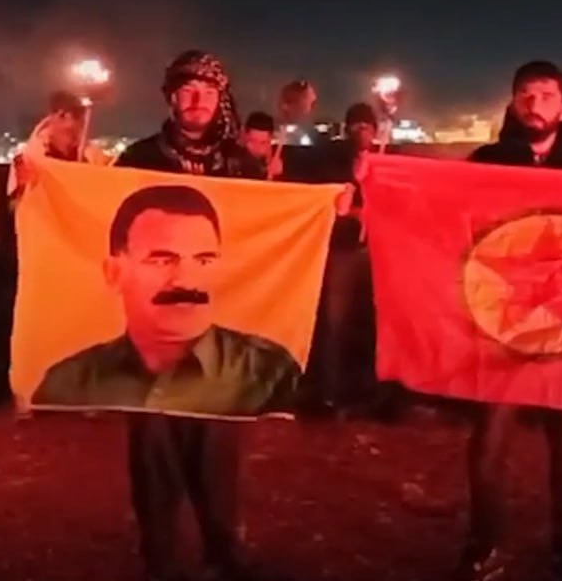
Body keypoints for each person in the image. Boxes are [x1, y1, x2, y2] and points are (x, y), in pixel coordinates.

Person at [113, 50, 294, 581]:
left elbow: (268, 229)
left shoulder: (241, 163)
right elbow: (101, 217)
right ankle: (161, 557)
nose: (198, 101)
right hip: (151, 335)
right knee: (154, 450)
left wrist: (321, 206)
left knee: (218, 448)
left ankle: (223, 547)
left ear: (221, 99)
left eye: (208, 92)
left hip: (218, 328)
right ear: (171, 97)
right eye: (188, 91)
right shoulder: (138, 158)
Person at [455, 60, 562, 581]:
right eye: (525, 94)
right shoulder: (488, 161)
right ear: (512, 102)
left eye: (545, 95)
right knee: (490, 438)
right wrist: (374, 177)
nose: (534, 104)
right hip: (503, 321)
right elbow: (441, 207)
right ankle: (484, 544)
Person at [32, 184, 301, 415]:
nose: (186, 281)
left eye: (204, 260)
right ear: (114, 273)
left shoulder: (269, 376)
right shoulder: (68, 386)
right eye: (162, 261)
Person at [304, 102, 379, 415]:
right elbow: (333, 205)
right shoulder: (334, 160)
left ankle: (370, 392)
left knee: (374, 325)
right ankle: (330, 393)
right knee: (335, 324)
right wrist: (355, 191)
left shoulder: (385, 160)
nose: (362, 132)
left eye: (367, 126)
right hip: (343, 252)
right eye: (356, 126)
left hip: (377, 254)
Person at [8, 90, 112, 199]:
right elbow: (16, 203)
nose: (80, 121)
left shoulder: (93, 157)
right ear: (58, 116)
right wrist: (24, 188)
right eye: (75, 114)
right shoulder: (26, 160)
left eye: (79, 114)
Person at [240, 111, 282, 180]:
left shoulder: (277, 160)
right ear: (245, 136)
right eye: (253, 141)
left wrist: (278, 176)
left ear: (270, 140)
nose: (257, 148)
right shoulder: (233, 162)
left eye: (263, 143)